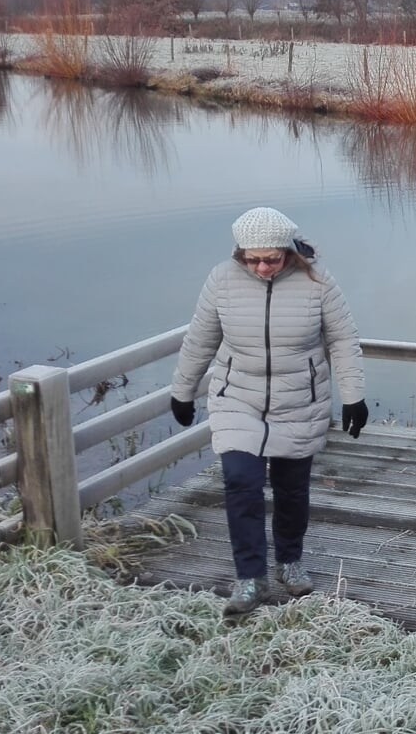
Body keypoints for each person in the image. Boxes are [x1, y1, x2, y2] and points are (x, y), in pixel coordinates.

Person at [170, 206, 368, 616]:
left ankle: (290, 561)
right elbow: (200, 339)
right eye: (252, 259)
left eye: (271, 259)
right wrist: (182, 390)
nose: (261, 267)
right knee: (240, 483)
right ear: (240, 253)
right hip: (237, 397)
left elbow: (344, 341)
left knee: (291, 490)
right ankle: (249, 577)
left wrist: (353, 396)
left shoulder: (317, 281)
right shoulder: (222, 280)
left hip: (299, 401)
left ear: (289, 252)